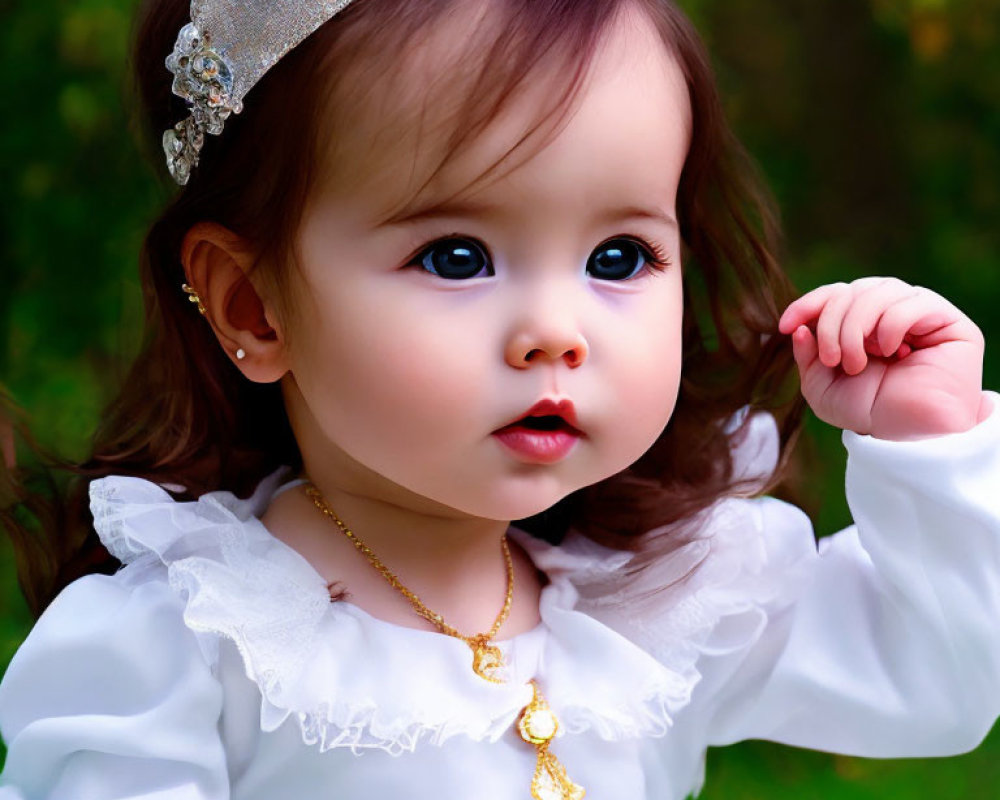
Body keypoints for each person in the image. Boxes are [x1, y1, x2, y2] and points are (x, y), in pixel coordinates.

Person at [0, 0, 997, 798]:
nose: (555, 329)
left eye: (619, 256)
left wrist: (927, 443)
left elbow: (939, 682)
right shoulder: (183, 653)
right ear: (253, 305)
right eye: (457, 256)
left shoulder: (652, 604)